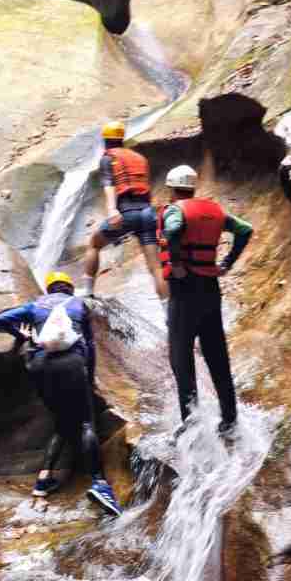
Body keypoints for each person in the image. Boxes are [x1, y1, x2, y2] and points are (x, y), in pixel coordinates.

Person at [0, 271, 121, 514]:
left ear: (49, 289)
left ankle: (42, 482)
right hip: (71, 363)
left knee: (61, 422)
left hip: (40, 366)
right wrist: (89, 378)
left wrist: (22, 335)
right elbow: (89, 346)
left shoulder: (35, 305)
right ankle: (100, 484)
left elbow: (0, 319)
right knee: (85, 423)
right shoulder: (79, 304)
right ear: (70, 289)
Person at [158, 164, 253, 436]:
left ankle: (192, 422)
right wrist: (228, 263)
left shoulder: (176, 210)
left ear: (173, 188)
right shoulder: (215, 211)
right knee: (216, 354)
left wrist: (176, 263)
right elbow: (245, 230)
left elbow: (173, 230)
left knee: (181, 357)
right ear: (193, 186)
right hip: (210, 290)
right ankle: (229, 418)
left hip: (184, 291)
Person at [83, 121, 165, 299]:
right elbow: (146, 187)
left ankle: (88, 292)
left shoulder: (108, 158)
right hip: (147, 213)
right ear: (122, 139)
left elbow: (109, 185)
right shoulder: (139, 158)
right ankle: (168, 311)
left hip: (126, 213)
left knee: (94, 244)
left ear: (105, 140)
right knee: (156, 267)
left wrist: (112, 209)